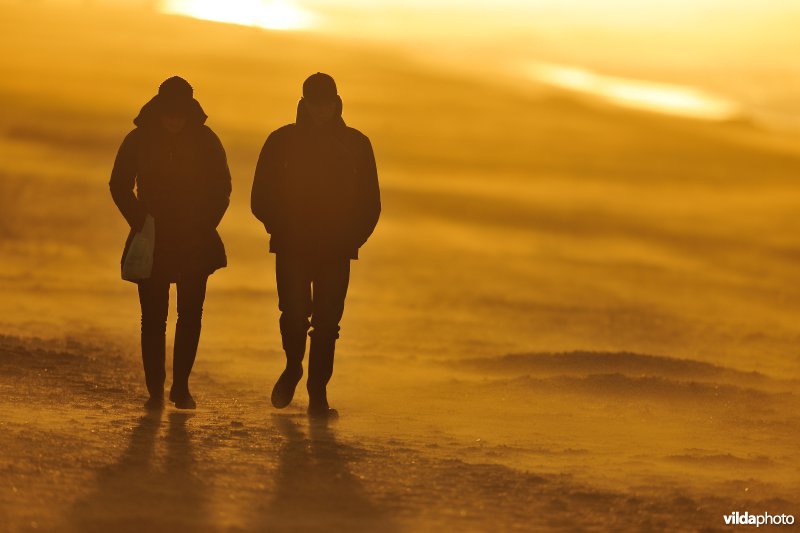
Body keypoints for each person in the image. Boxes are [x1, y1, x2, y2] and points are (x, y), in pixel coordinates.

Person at [251, 73, 380, 418]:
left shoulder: (356, 144)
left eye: (326, 103)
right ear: (304, 103)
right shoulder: (282, 141)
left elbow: (371, 202)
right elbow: (260, 197)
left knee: (327, 325)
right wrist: (281, 229)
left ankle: (317, 395)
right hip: (292, 247)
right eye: (314, 103)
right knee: (293, 316)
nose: (320, 110)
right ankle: (293, 366)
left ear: (336, 102)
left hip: (336, 250)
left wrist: (352, 238)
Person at [110, 76, 232, 410]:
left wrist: (204, 224)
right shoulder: (138, 139)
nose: (174, 120)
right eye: (168, 113)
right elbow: (118, 184)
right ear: (159, 109)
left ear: (190, 112)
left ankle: (180, 387)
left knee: (191, 315)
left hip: (195, 240)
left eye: (180, 114)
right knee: (153, 318)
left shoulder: (207, 141)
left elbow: (222, 188)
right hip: (152, 238)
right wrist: (141, 221)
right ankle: (154, 390)